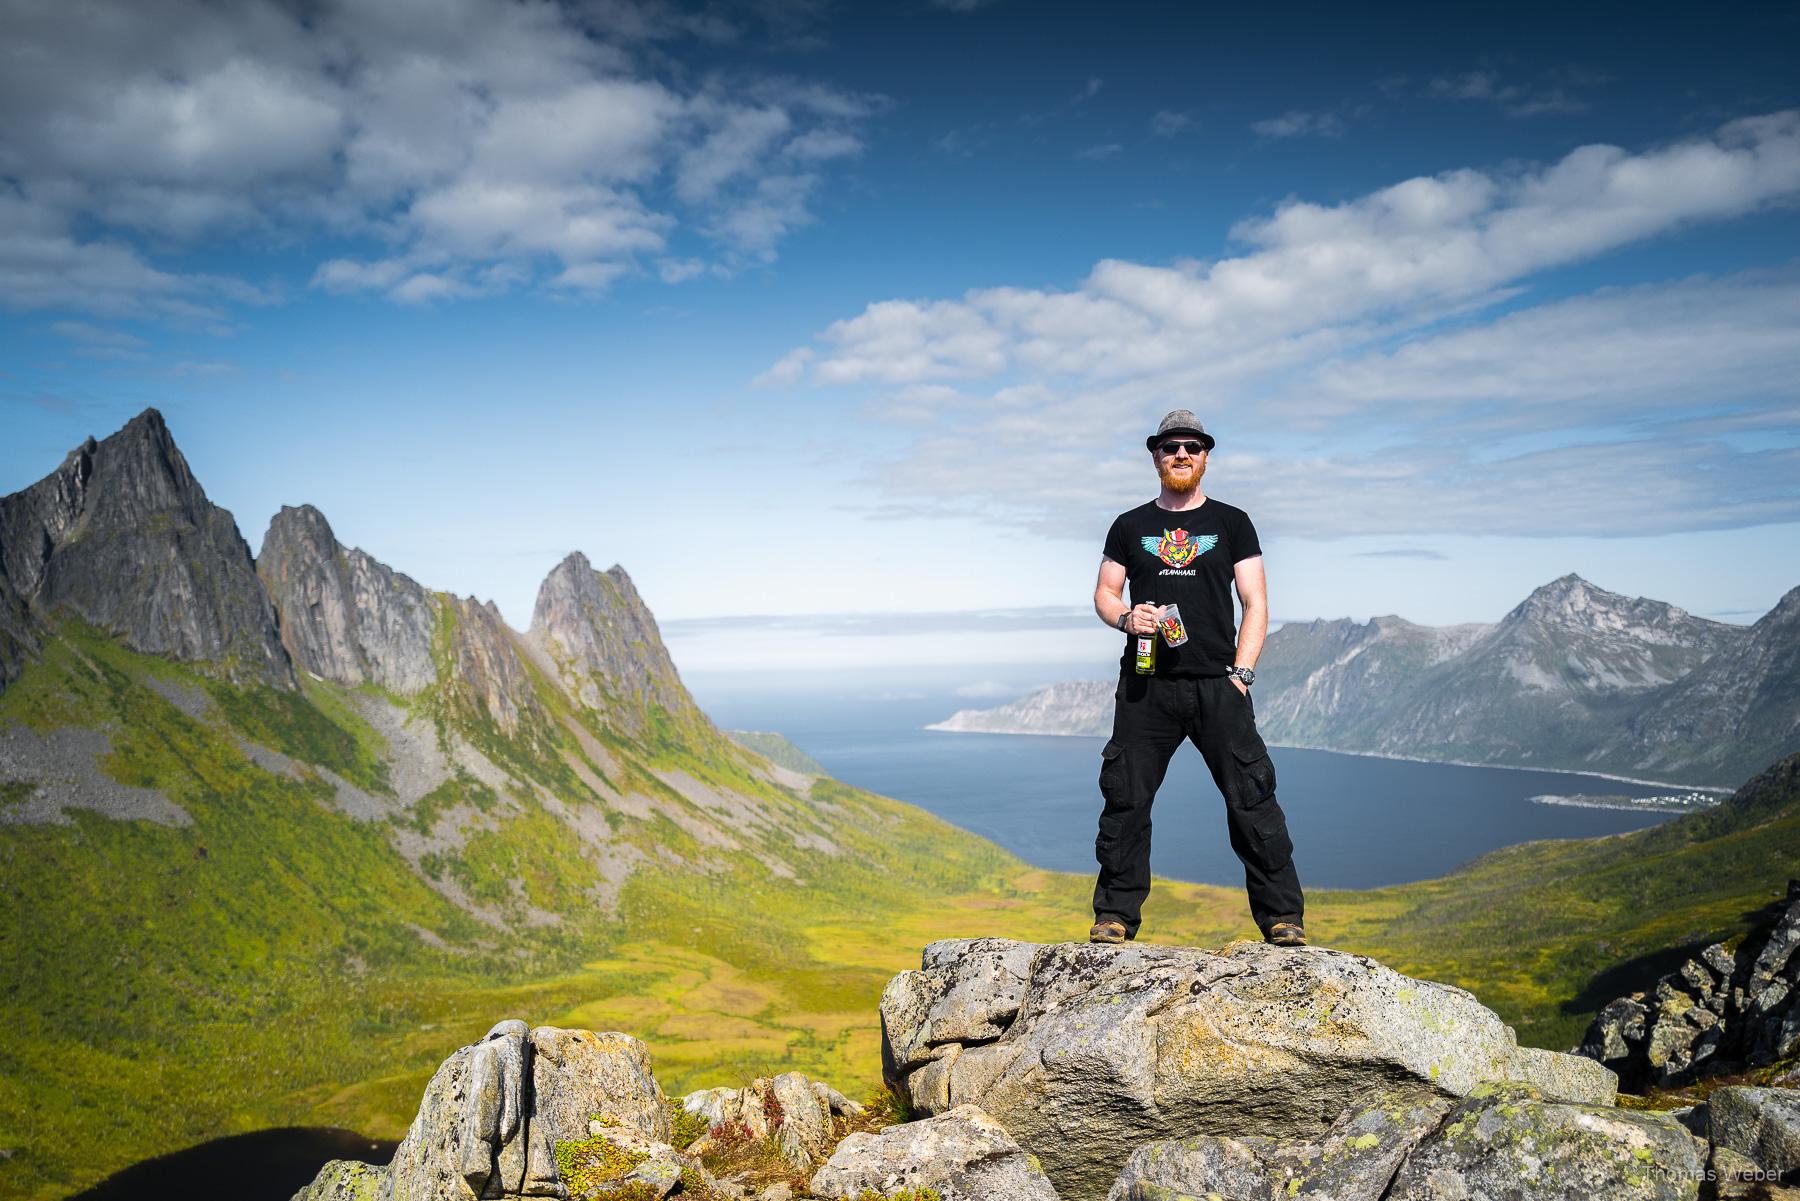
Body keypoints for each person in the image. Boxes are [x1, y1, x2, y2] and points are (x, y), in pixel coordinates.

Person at [1088, 410, 1307, 947]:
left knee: (1253, 800)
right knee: (1126, 801)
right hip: (1145, 685)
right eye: (1170, 447)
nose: (1180, 454)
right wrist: (1124, 617)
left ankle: (1282, 919)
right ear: (1155, 456)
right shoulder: (1129, 526)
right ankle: (1115, 916)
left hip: (1218, 684)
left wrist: (1243, 673)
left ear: (1206, 456)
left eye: (1191, 446)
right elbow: (1104, 593)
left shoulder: (1232, 523)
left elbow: (1255, 603)